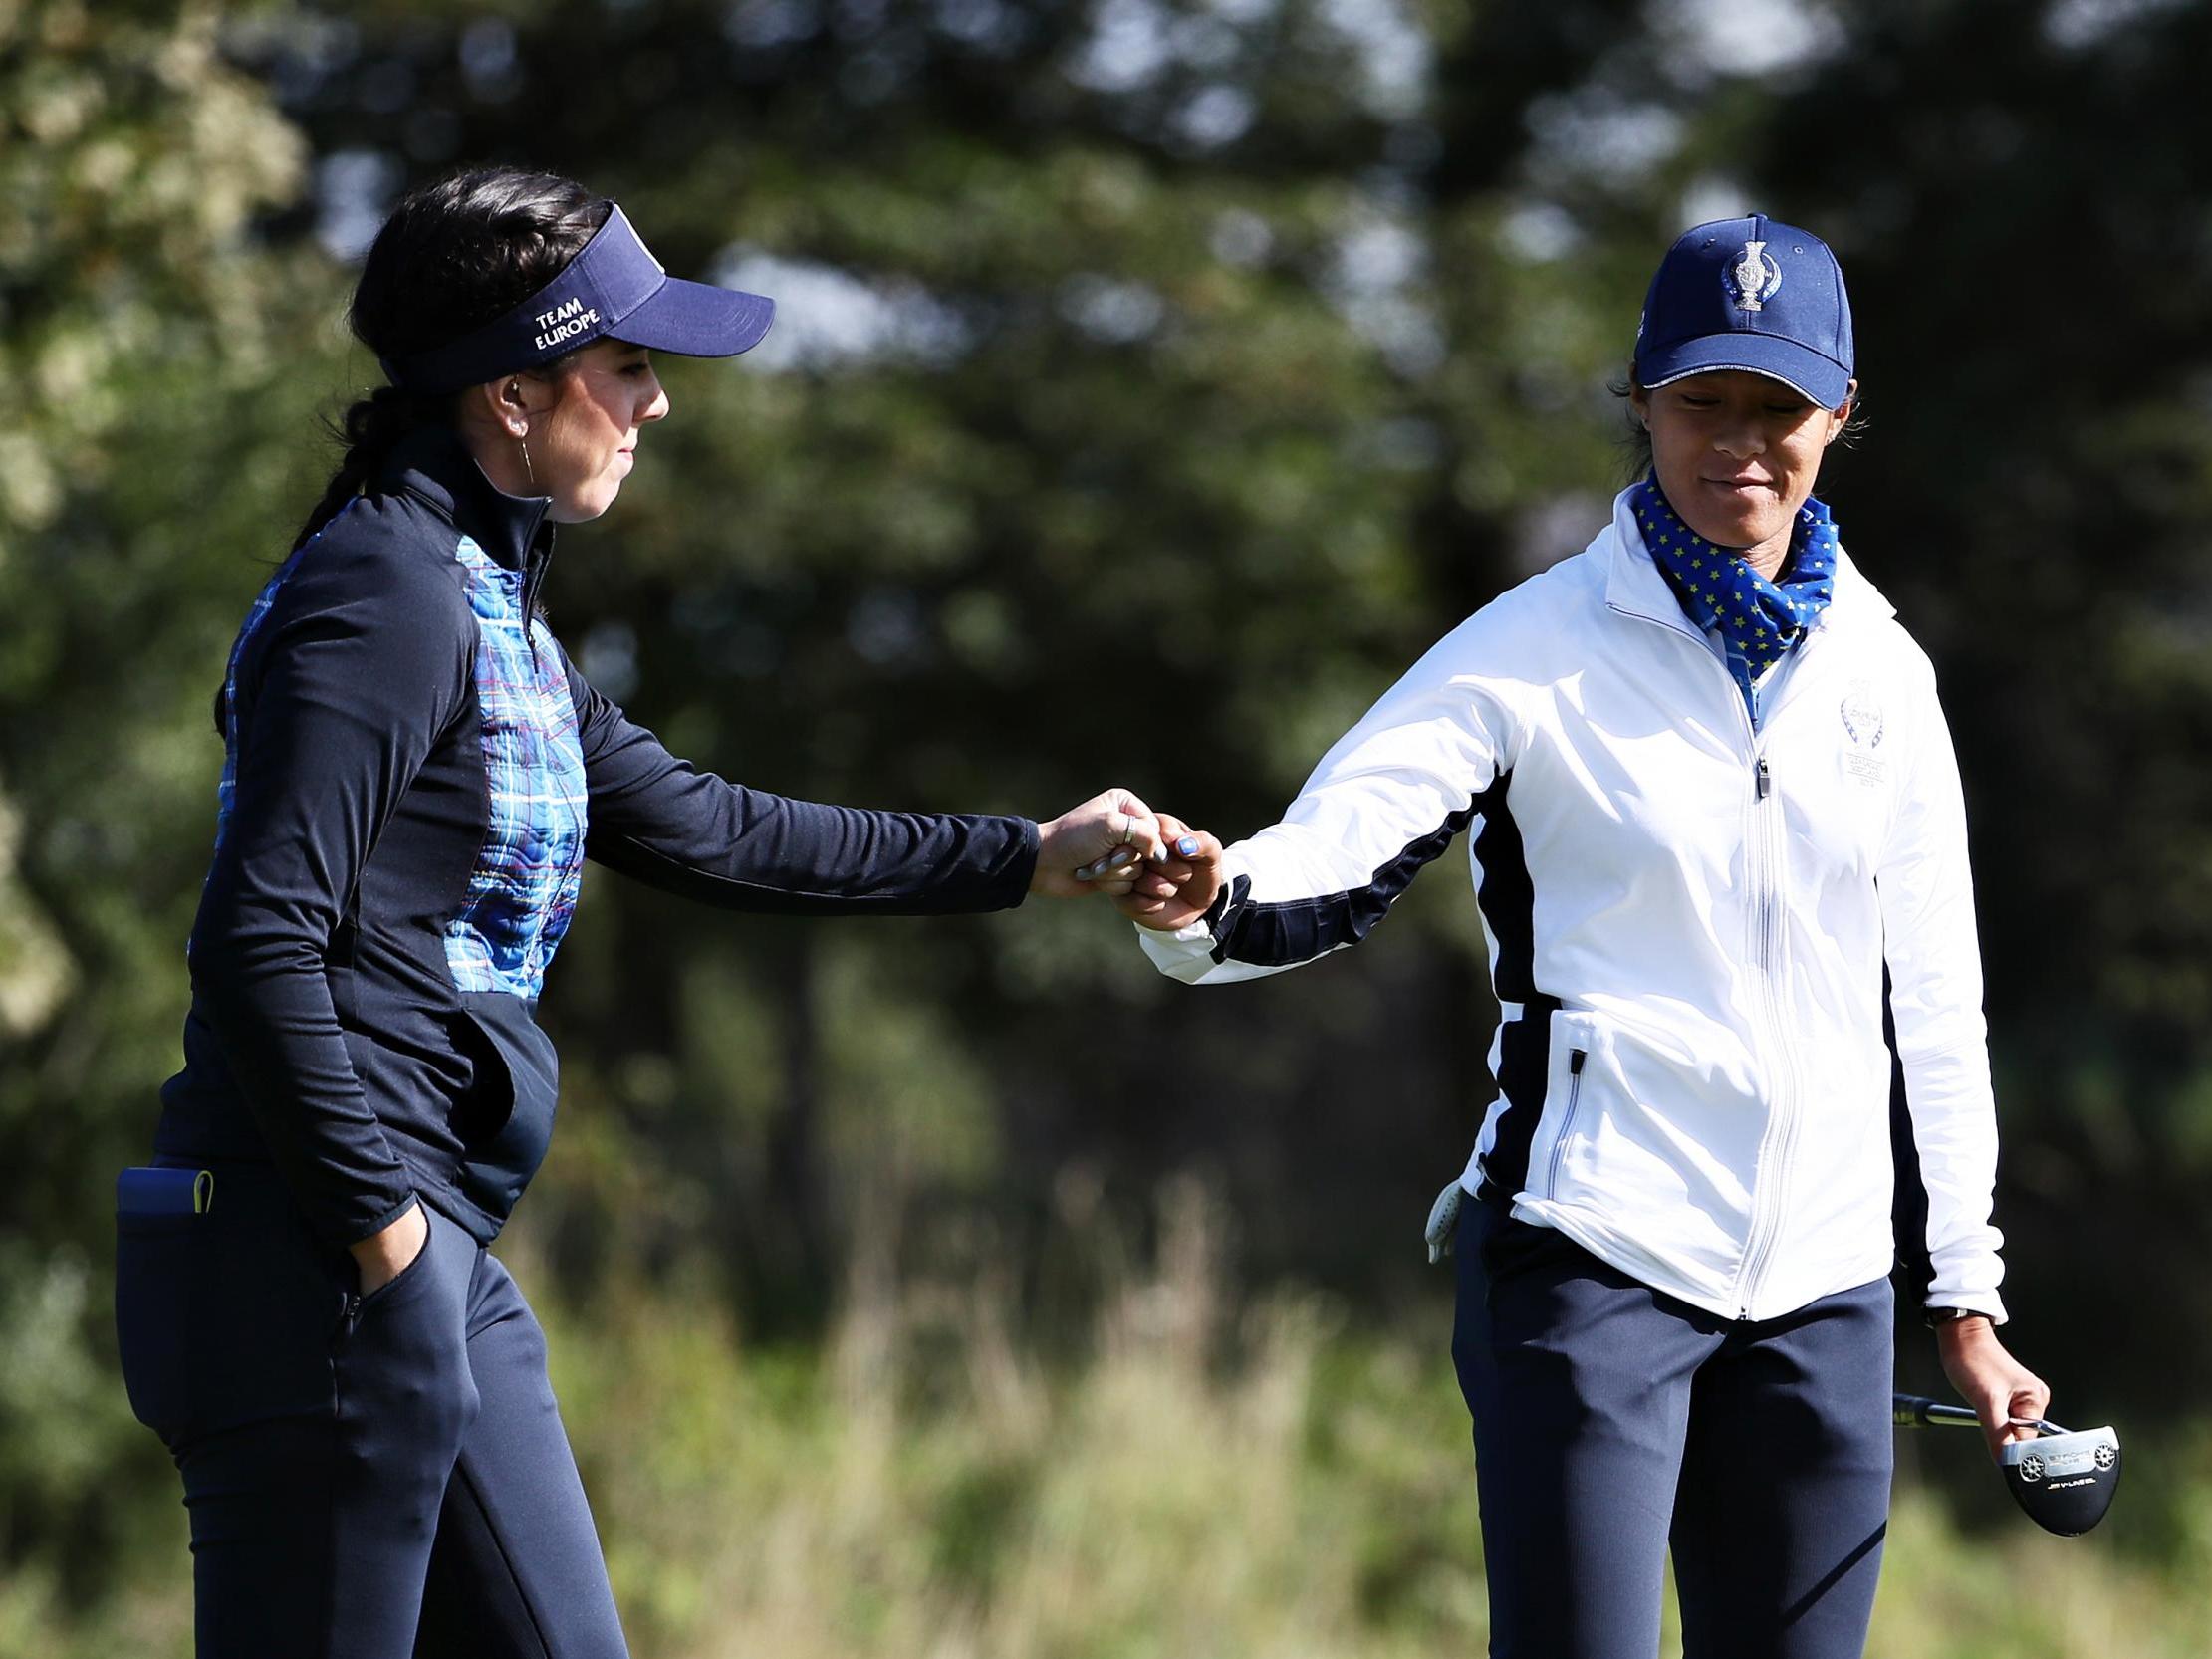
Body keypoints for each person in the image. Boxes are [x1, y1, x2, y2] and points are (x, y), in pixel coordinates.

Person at [113, 166, 1197, 1659]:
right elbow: (256, 937)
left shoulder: (489, 606)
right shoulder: (382, 596)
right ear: (510, 392)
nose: (656, 403)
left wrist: (1026, 854)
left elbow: (721, 827)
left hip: (407, 1267)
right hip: (310, 1266)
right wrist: (386, 1239)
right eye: (627, 365)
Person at [1114, 215, 2046, 1657]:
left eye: (1776, 408)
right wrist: (1206, 895)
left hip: (1824, 1295)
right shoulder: (1530, 646)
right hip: (1590, 1262)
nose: (1738, 443)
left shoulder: (1885, 670)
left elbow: (1933, 1002)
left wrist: (1964, 1298)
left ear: (1838, 414)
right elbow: (1334, 857)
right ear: (1640, 402)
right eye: (1700, 403)